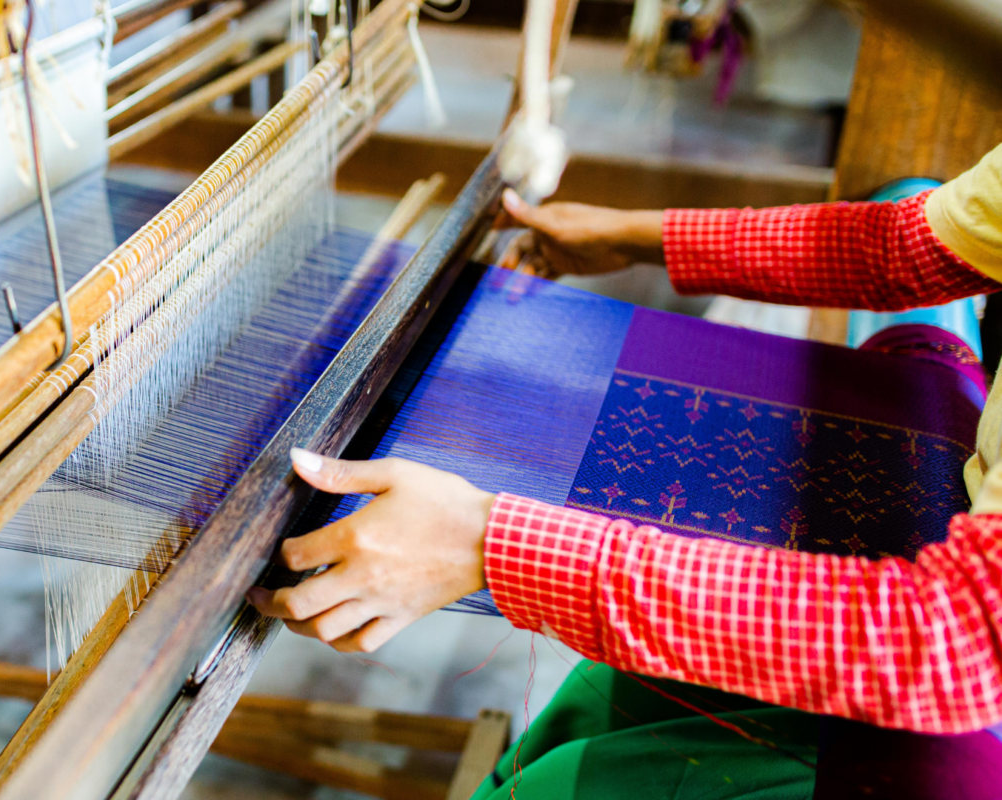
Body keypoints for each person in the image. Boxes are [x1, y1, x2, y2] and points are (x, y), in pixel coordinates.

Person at [246, 142, 1002, 798]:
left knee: (576, 779)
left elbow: (949, 645)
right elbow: (913, 243)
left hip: (953, 717)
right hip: (945, 543)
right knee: (606, 711)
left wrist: (487, 544)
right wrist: (641, 237)